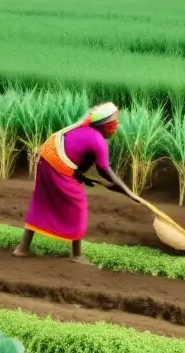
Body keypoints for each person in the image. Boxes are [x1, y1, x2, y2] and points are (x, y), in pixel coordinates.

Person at [13, 103, 138, 264]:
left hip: (46, 160)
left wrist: (80, 176)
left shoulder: (86, 132)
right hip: (55, 164)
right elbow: (106, 172)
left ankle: (22, 248)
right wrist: (129, 192)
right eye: (112, 124)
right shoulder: (97, 140)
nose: (116, 127)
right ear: (102, 125)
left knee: (41, 203)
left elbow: (82, 159)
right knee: (78, 206)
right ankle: (77, 255)